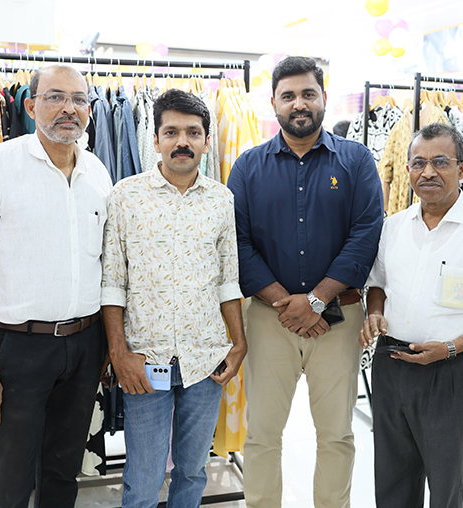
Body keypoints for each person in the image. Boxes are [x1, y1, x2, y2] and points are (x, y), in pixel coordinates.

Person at [227, 56, 383, 508]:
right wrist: (287, 303)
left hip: (339, 318)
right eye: (289, 95)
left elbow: (367, 232)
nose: (299, 103)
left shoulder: (356, 160)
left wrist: (315, 300)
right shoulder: (247, 166)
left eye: (308, 94)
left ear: (324, 98)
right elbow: (236, 242)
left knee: (336, 434)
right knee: (262, 434)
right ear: (274, 103)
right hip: (268, 319)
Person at [101, 88, 247, 508]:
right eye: (172, 132)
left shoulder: (221, 199)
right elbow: (112, 283)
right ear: (155, 139)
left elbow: (228, 280)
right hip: (145, 360)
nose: (182, 141)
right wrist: (119, 353)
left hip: (205, 359)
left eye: (193, 132)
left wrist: (239, 343)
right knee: (143, 478)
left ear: (206, 140)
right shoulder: (125, 196)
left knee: (193, 470)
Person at [0, 65, 112, 508]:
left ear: (89, 109)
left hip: (84, 345)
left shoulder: (97, 172)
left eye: (79, 99)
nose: (69, 108)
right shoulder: (1, 166)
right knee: (9, 476)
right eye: (55, 97)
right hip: (16, 349)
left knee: (63, 471)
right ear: (30, 105)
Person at [360, 122, 463, 508]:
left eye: (441, 162)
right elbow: (377, 284)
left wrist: (450, 348)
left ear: (461, 168)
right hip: (391, 365)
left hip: (450, 371)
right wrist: (374, 313)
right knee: (392, 479)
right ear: (407, 170)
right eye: (419, 163)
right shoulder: (394, 227)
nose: (428, 172)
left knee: (449, 484)